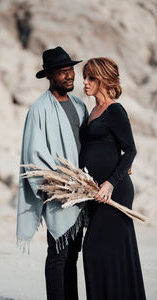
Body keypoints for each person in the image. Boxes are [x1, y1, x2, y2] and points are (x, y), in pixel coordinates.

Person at [17, 46, 88, 300]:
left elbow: (89, 145)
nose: (69, 76)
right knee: (57, 253)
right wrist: (55, 187)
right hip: (58, 190)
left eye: (70, 70)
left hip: (82, 191)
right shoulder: (39, 109)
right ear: (49, 76)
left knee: (73, 254)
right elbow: (32, 154)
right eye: (62, 72)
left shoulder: (80, 106)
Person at [79, 57, 146, 300]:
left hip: (113, 191)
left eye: (91, 78)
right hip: (93, 192)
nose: (84, 82)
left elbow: (130, 150)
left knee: (94, 249)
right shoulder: (92, 111)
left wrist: (110, 182)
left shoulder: (115, 110)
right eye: (84, 77)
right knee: (109, 253)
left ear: (104, 79)